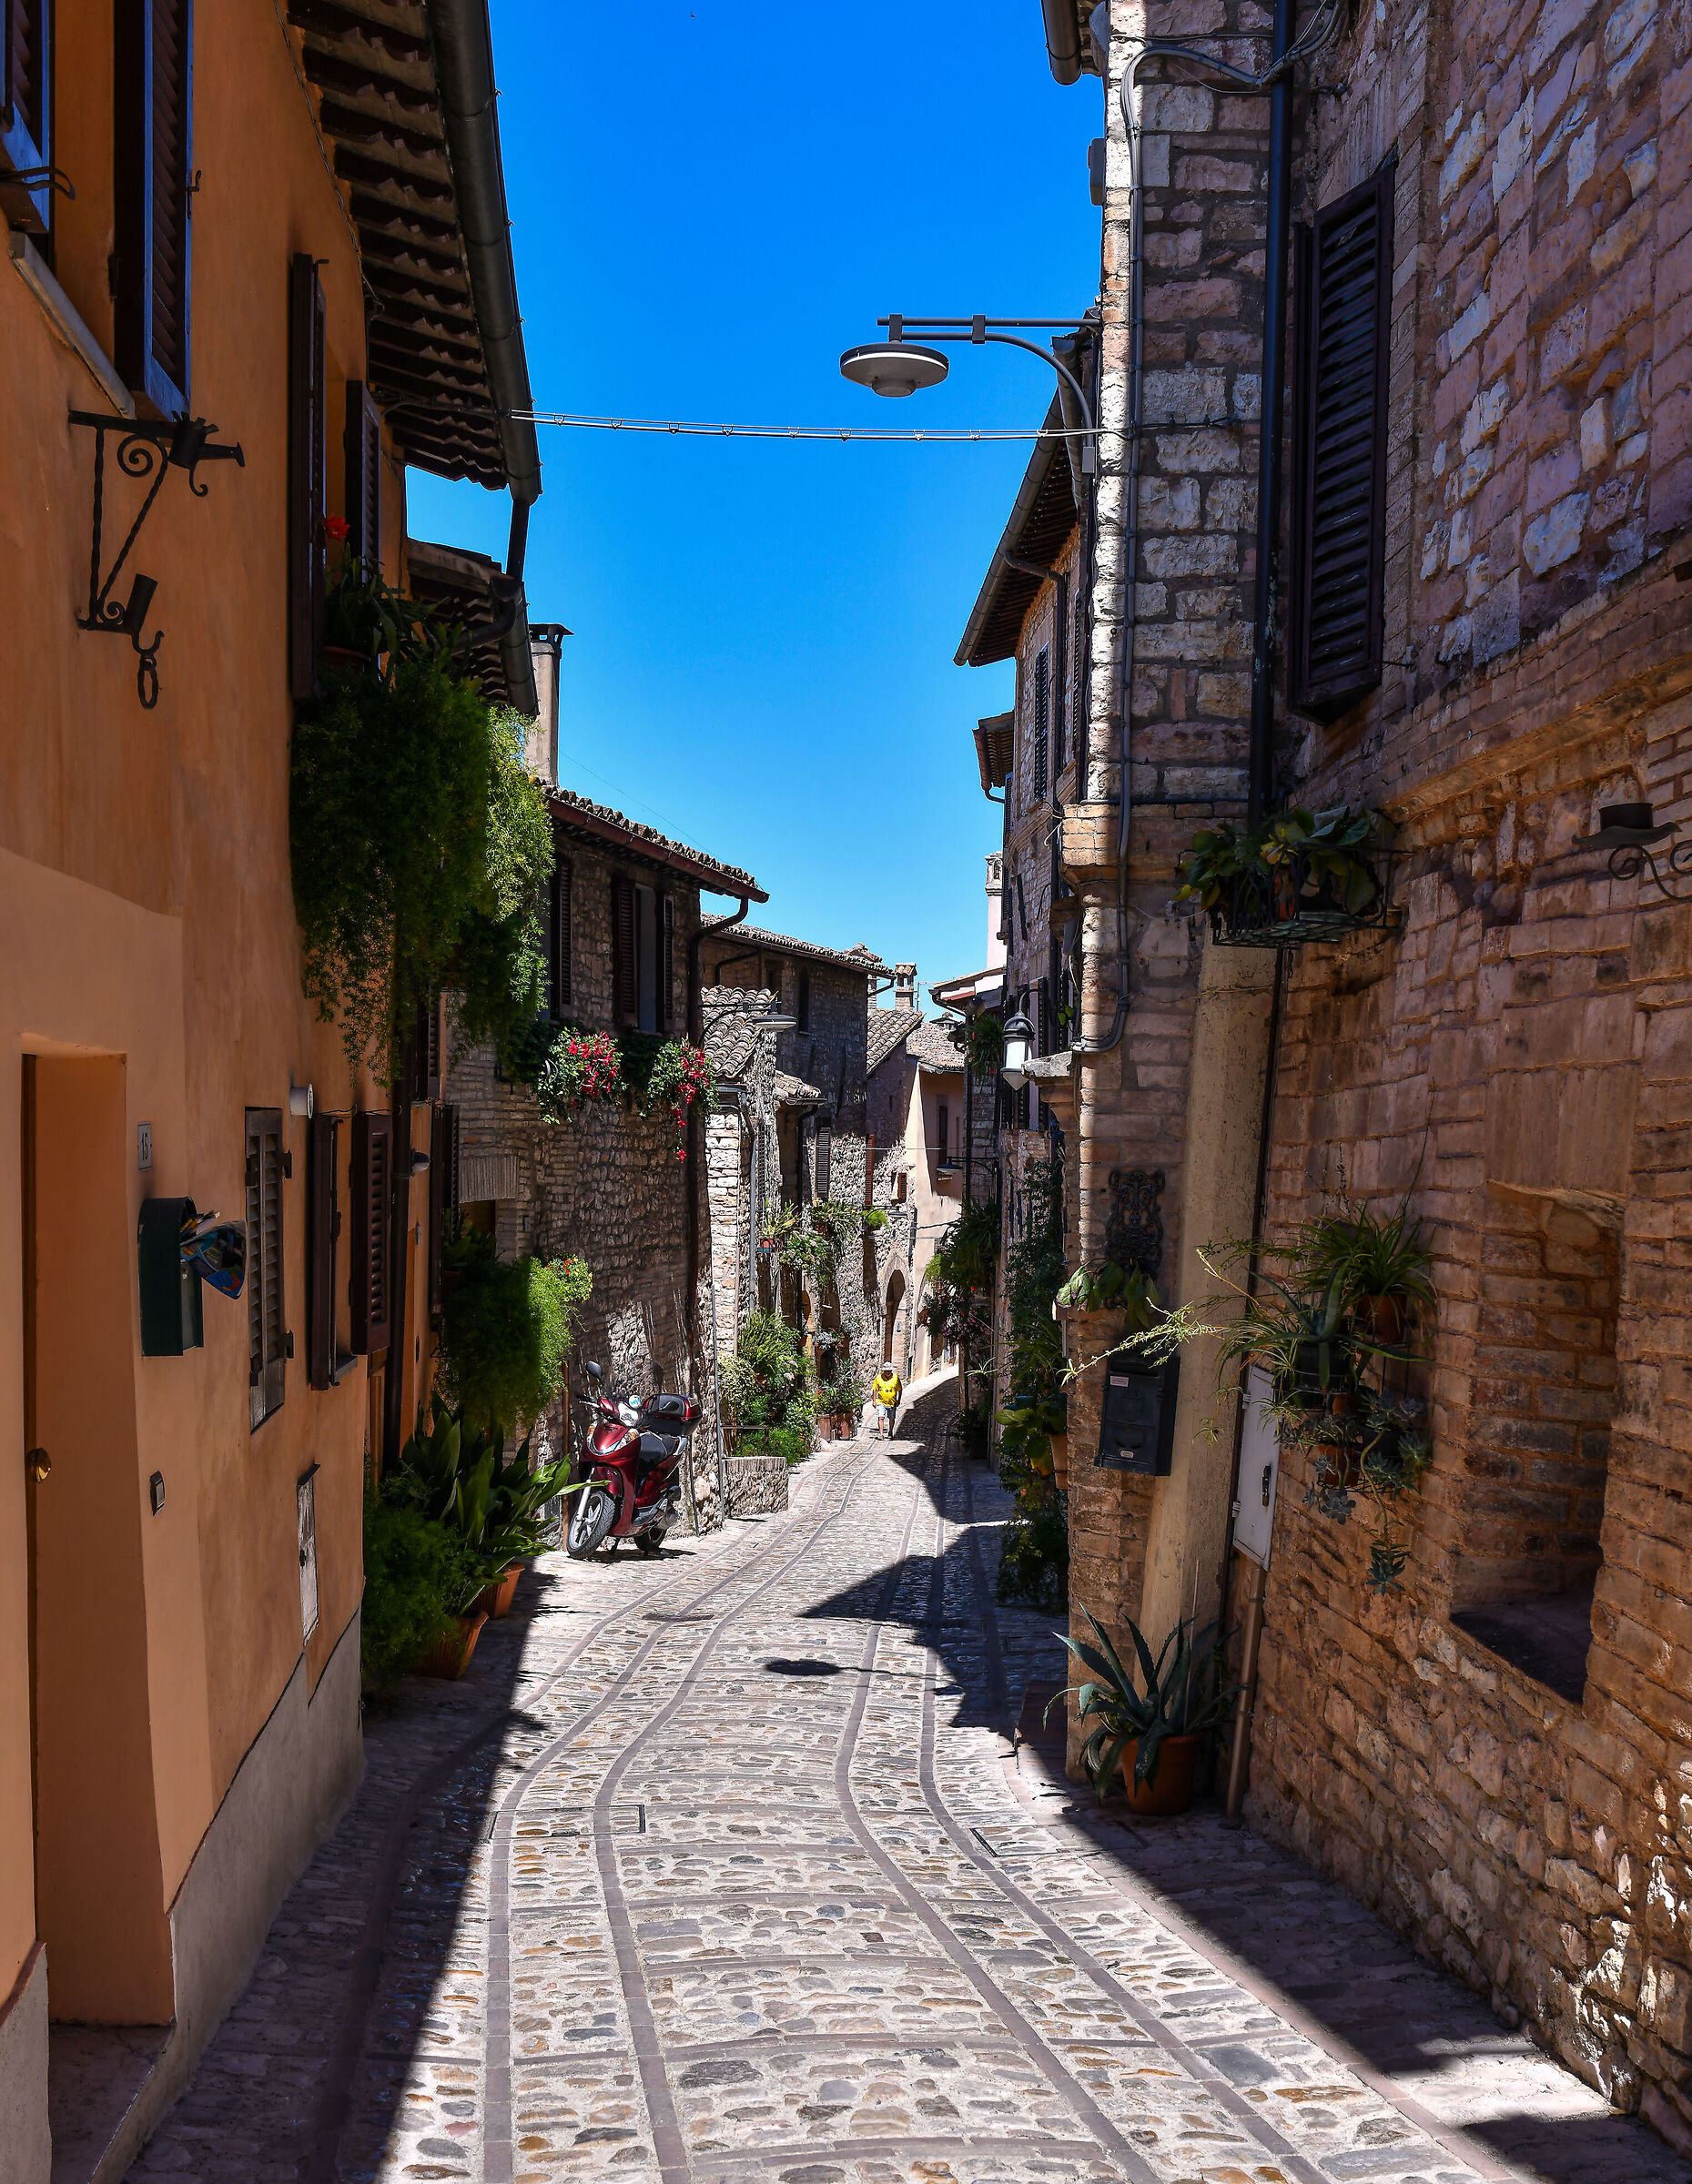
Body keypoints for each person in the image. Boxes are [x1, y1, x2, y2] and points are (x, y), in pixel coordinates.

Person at [872, 1363, 902, 1439]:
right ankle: (881, 1434)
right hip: (881, 1402)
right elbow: (874, 1389)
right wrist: (874, 1400)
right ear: (883, 1371)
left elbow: (899, 1390)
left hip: (892, 1402)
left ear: (891, 1371)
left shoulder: (895, 1378)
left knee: (891, 1418)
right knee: (881, 1417)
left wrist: (898, 1400)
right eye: (886, 1371)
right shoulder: (879, 1378)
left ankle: (890, 1431)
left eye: (889, 1371)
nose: (887, 1372)